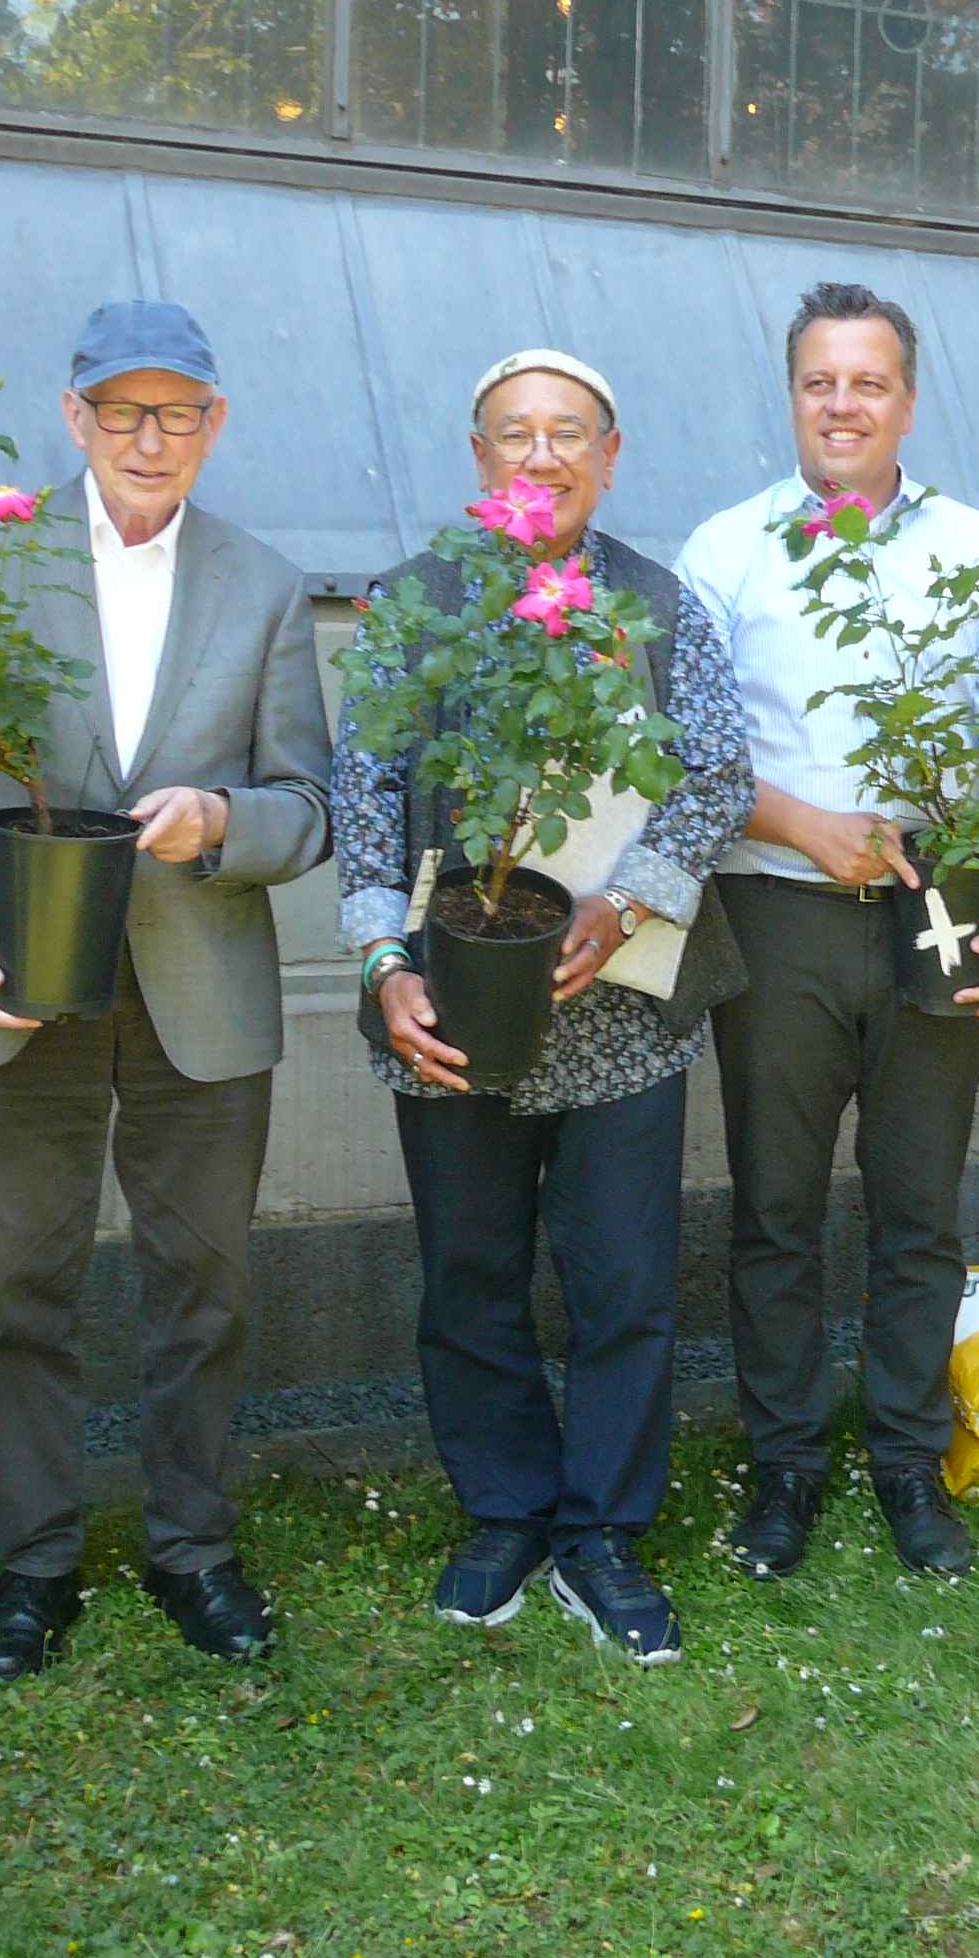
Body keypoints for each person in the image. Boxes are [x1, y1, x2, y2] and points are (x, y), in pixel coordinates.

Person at [0, 298, 335, 1675]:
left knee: (205, 1287)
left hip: (204, 993)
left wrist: (223, 821)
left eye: (178, 412)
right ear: (74, 419)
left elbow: (309, 805)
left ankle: (194, 1548)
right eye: (124, 410)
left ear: (215, 424)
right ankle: (33, 1565)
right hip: (23, 985)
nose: (151, 437)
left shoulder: (265, 587)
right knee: (24, 1285)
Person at [332, 350, 754, 1668]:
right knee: (470, 1276)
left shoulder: (658, 606)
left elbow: (718, 774)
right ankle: (506, 1511)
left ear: (609, 457)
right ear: (480, 461)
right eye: (515, 433)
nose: (542, 455)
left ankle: (604, 1532)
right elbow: (363, 788)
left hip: (618, 1006)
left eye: (569, 432)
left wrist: (627, 899)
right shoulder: (414, 603)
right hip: (452, 996)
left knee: (624, 1282)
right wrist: (382, 962)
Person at [676, 281, 979, 1582]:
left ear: (908, 399)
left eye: (869, 382)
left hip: (940, 905)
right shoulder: (726, 551)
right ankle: (785, 1463)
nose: (842, 404)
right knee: (777, 1206)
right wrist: (801, 825)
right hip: (775, 916)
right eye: (820, 381)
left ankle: (906, 1458)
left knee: (919, 1201)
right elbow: (685, 752)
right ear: (792, 394)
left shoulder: (976, 549)